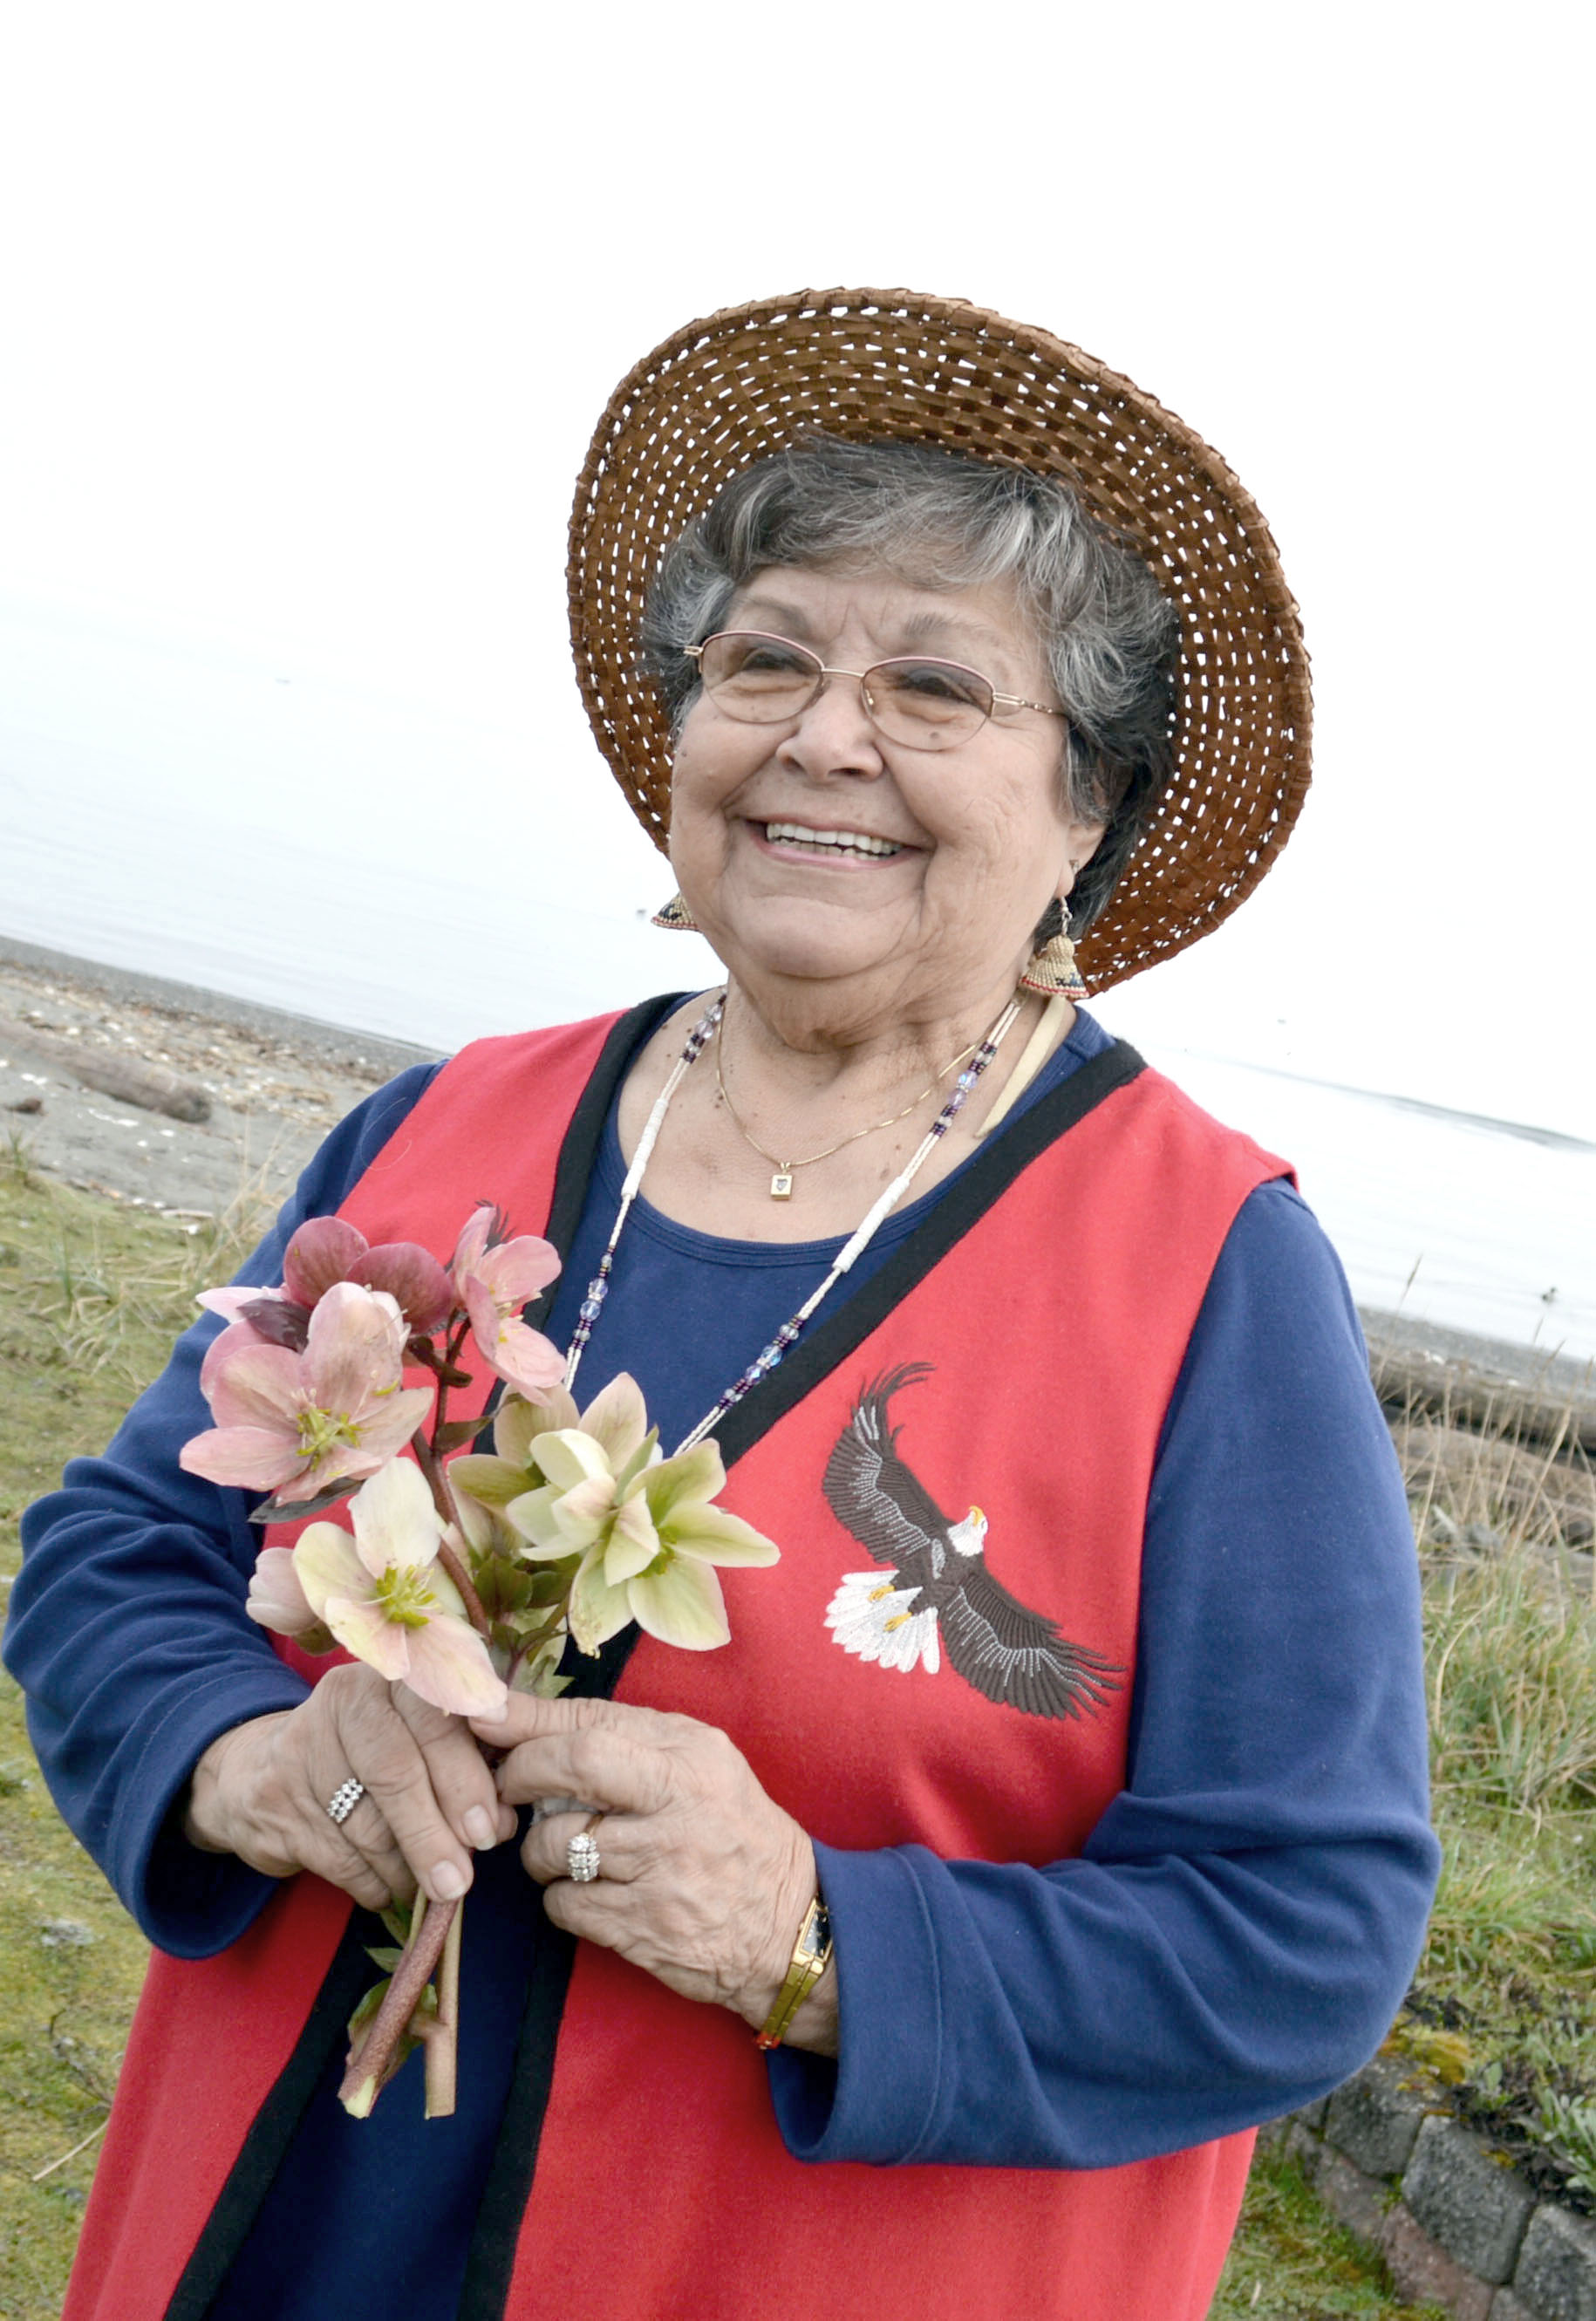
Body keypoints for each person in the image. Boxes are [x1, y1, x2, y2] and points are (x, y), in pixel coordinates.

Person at [5, 290, 1440, 2321]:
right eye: (764, 656)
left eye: (936, 686)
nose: (824, 733)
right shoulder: (451, 1125)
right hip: (265, 2252)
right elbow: (115, 1554)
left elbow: (1305, 1925)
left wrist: (816, 1938)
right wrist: (240, 1755)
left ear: (1086, 811)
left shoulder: (1207, 1272)